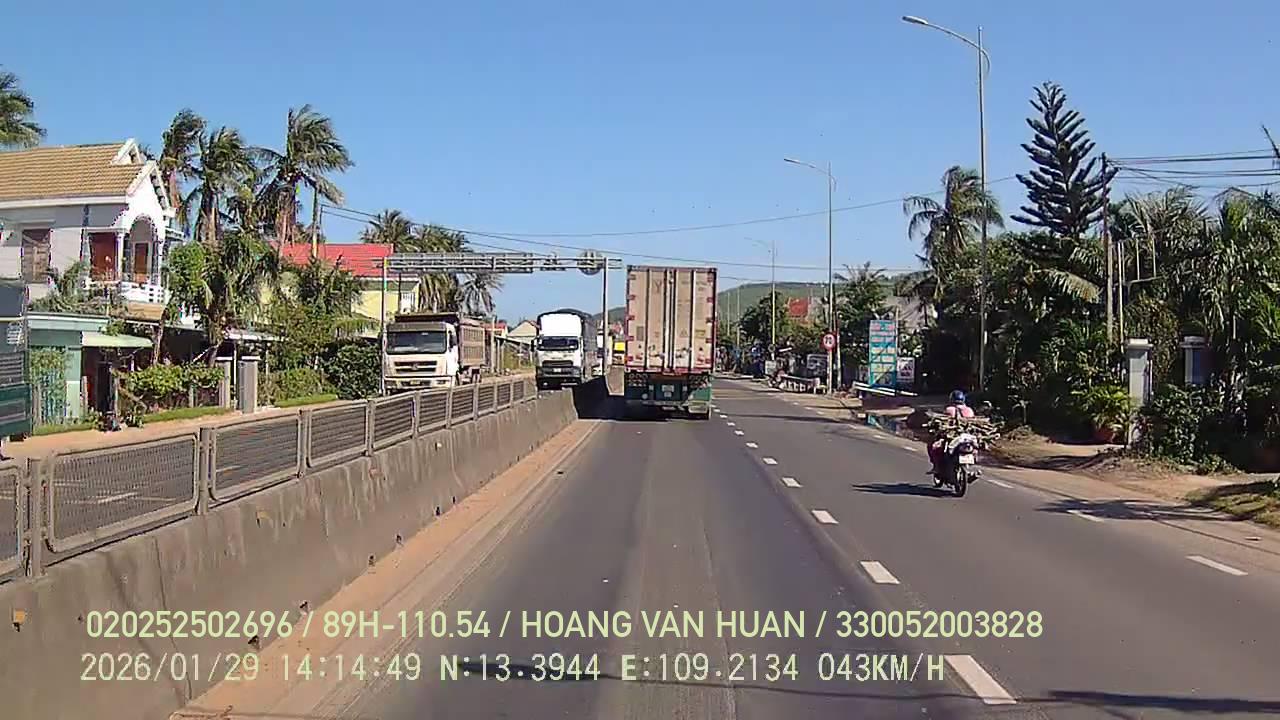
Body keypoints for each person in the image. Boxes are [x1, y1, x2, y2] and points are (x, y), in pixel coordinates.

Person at [929, 390, 975, 478]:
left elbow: (943, 422)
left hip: (953, 435)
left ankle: (936, 467)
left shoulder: (949, 409)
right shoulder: (969, 410)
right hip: (968, 436)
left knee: (934, 447)